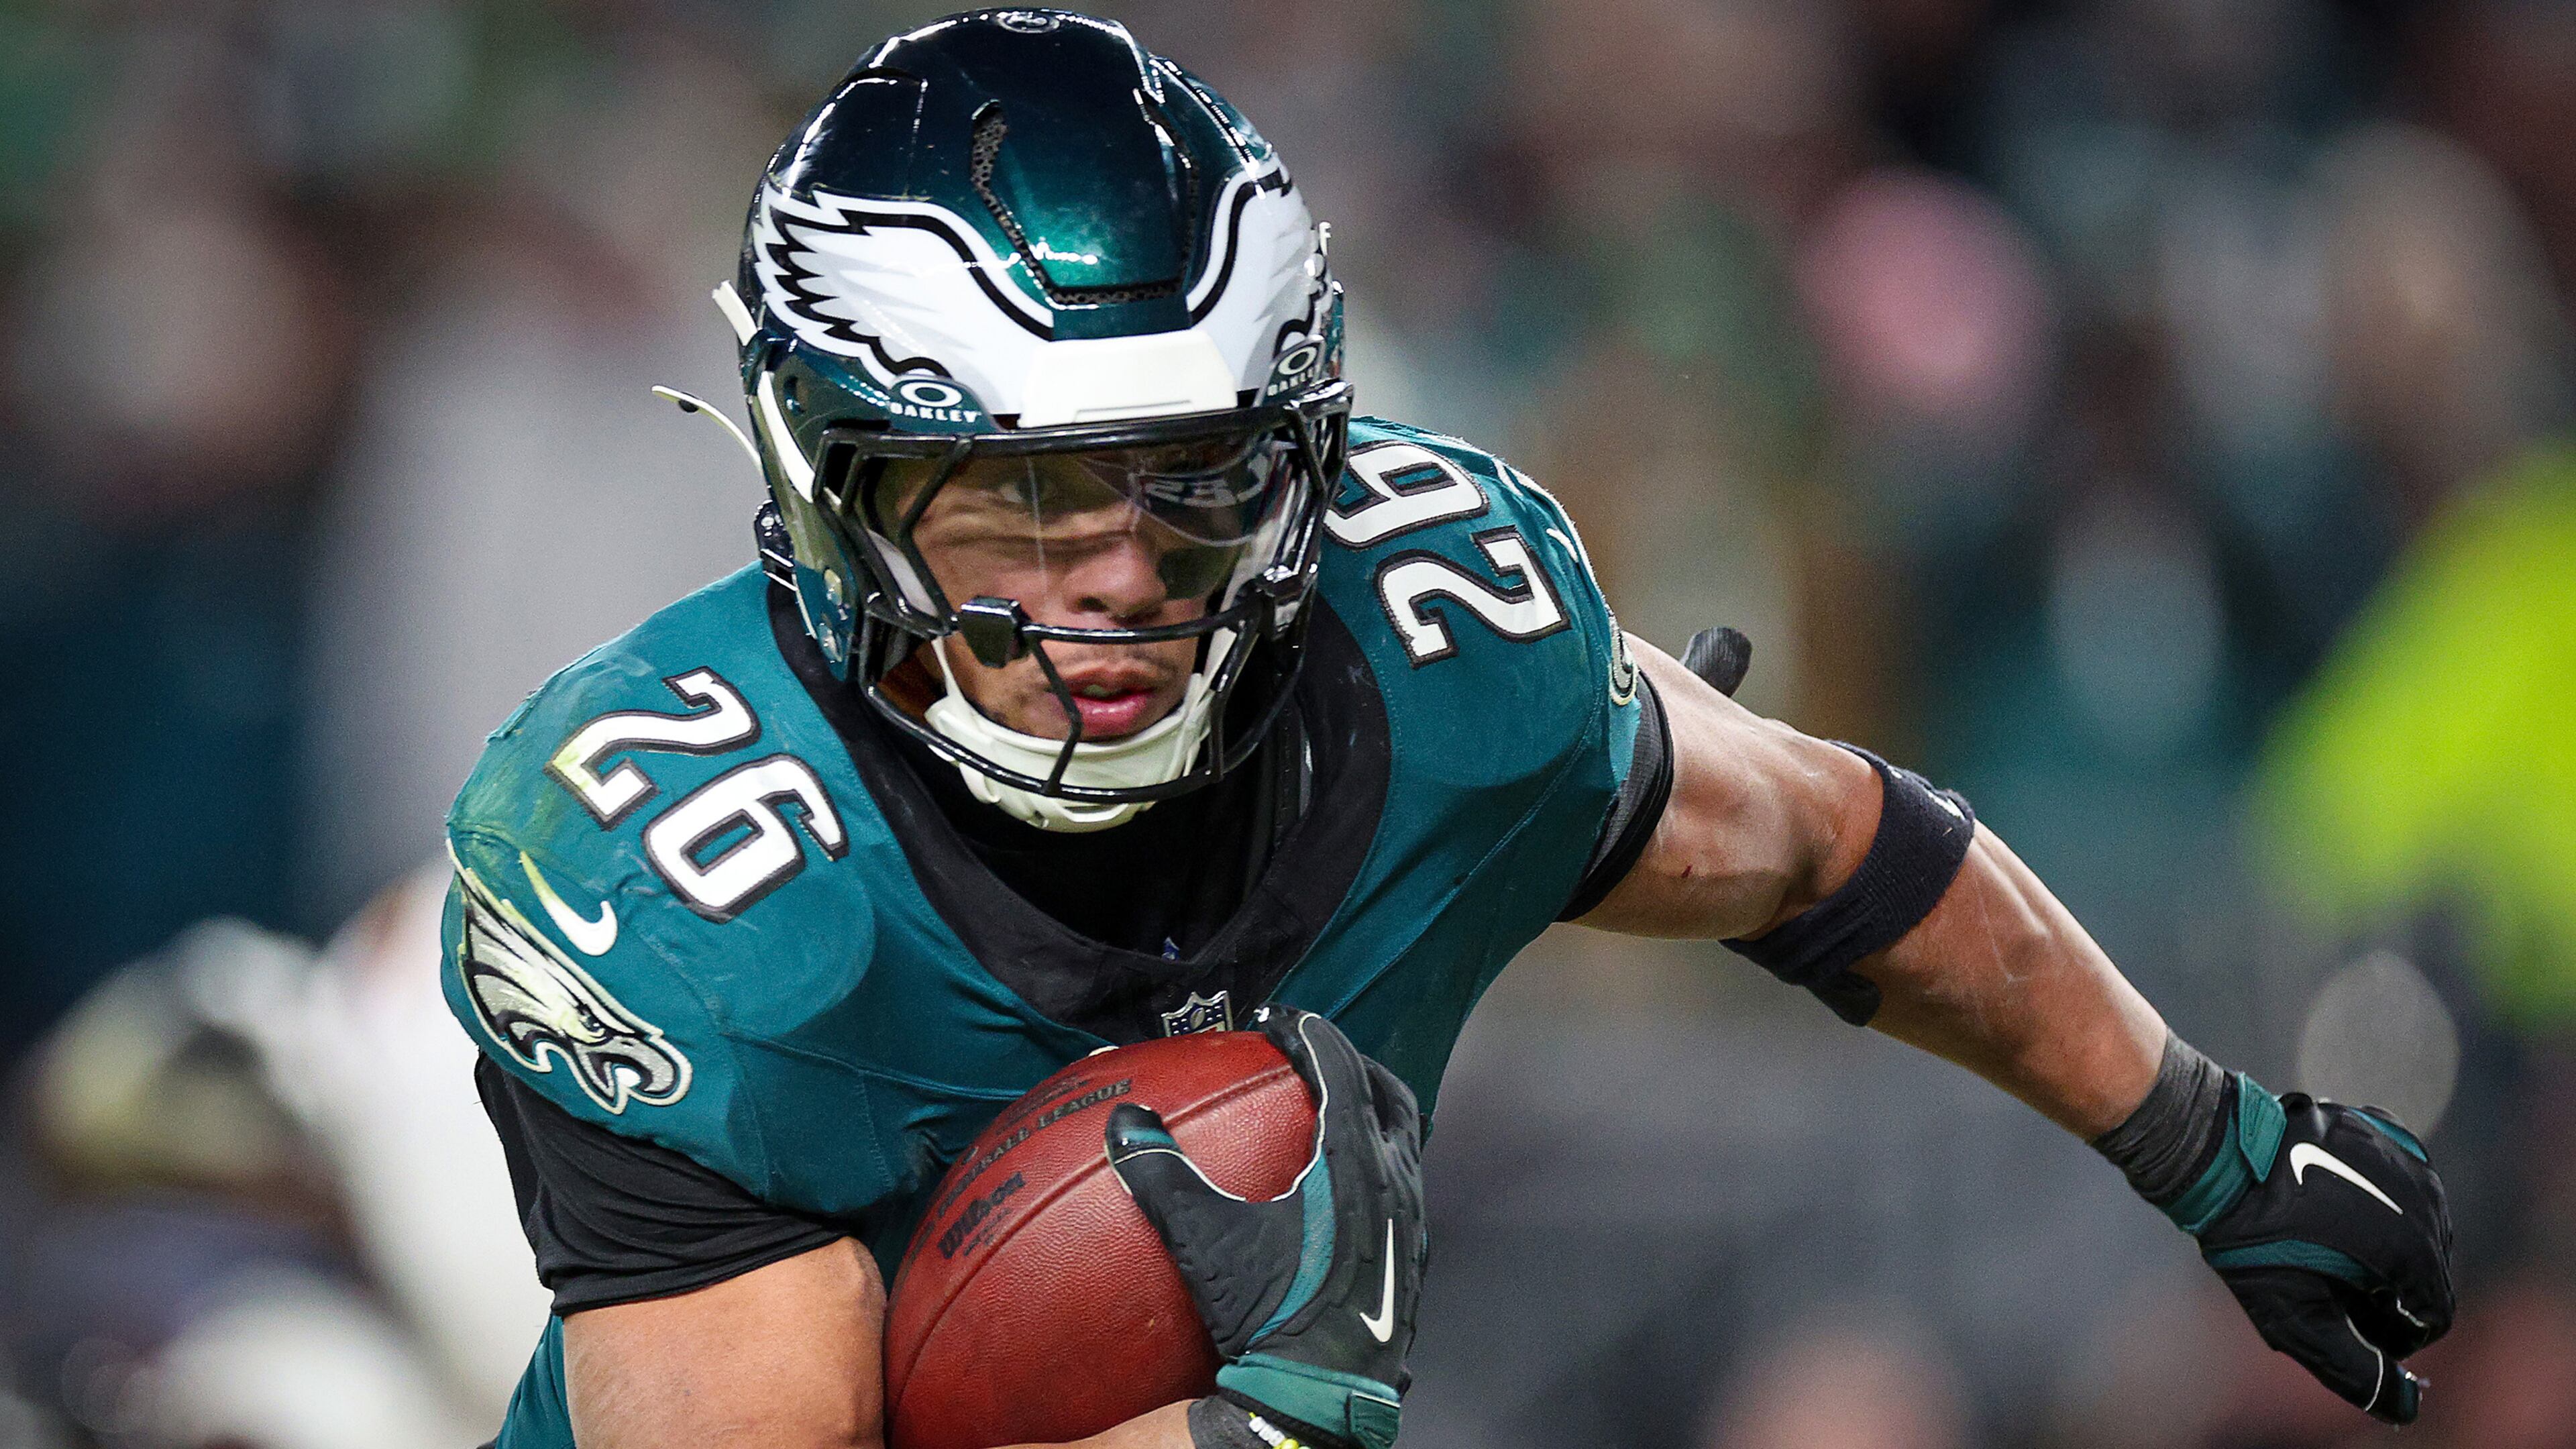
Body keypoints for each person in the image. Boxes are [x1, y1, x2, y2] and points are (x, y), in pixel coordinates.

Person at [439, 12, 2456, 1448]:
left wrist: (2204, 1139)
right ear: (835, 485)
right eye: (1021, 502)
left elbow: (1843, 851)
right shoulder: (696, 889)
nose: (1119, 581)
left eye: (1192, 481)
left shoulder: (1440, 652)